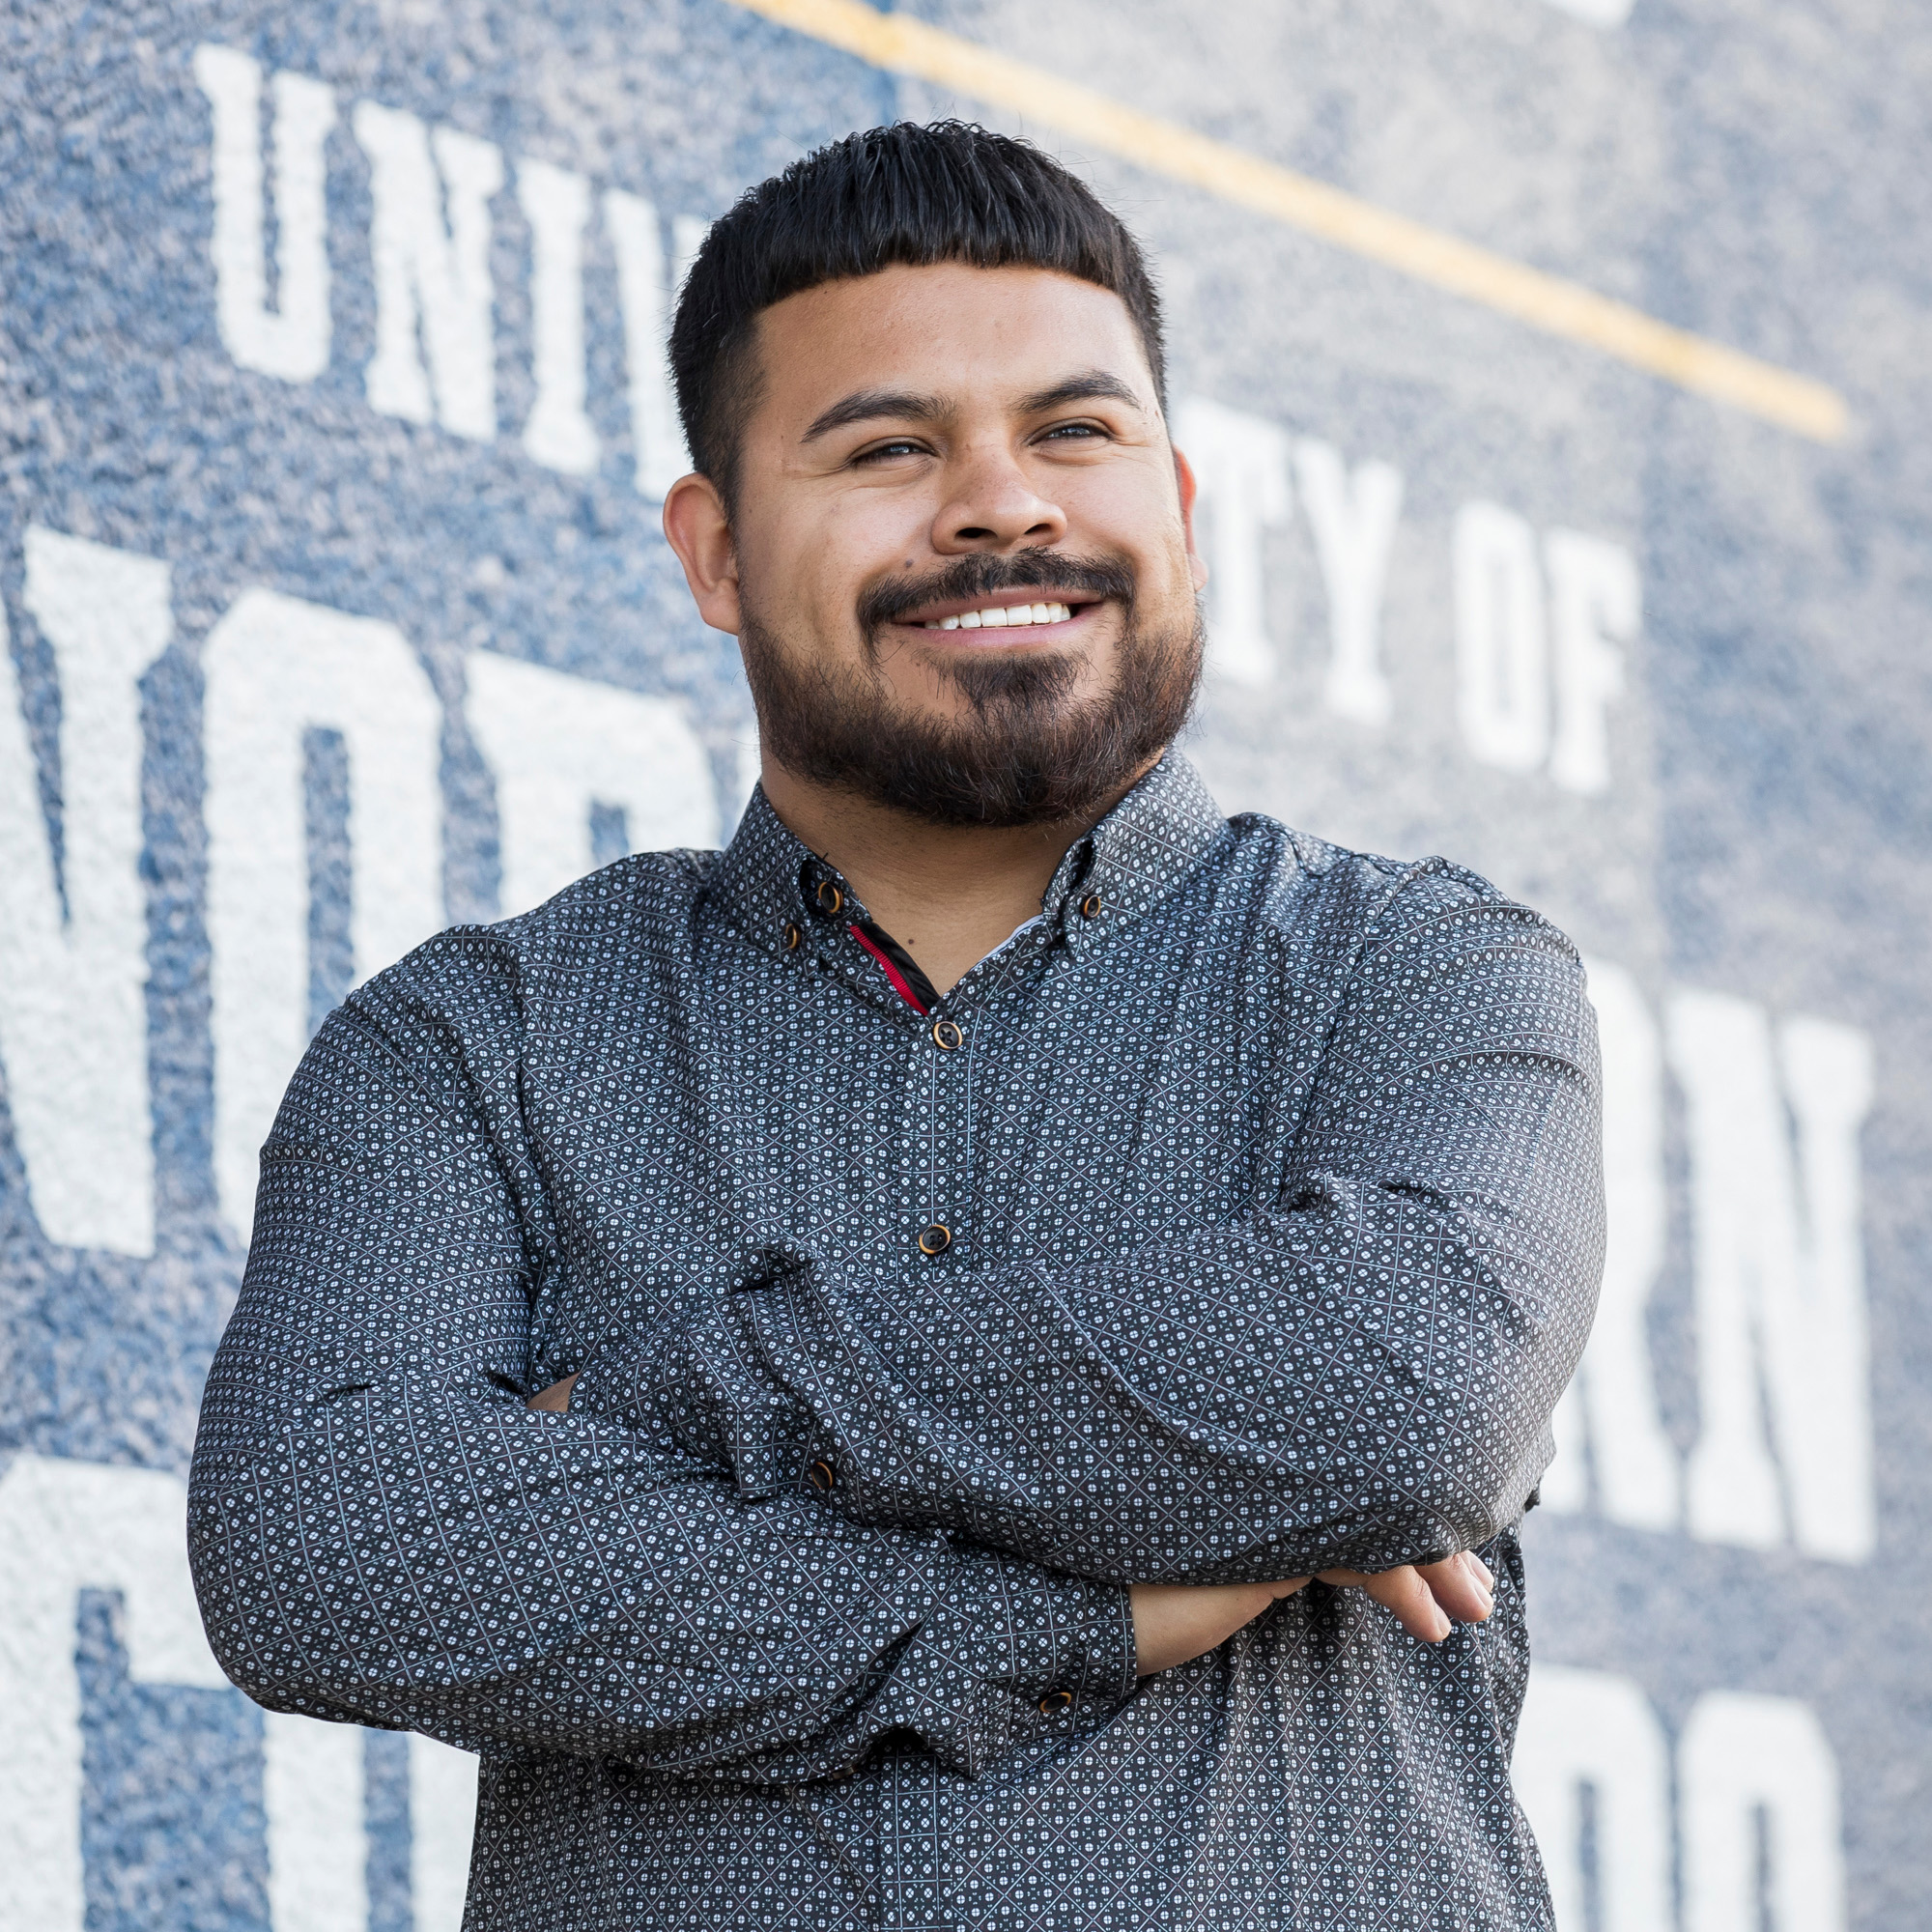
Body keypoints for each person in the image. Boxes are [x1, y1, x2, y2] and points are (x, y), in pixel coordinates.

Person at [189, 123, 1602, 1930]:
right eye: (888, 448)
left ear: (1176, 504)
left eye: (1075, 432)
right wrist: (1063, 1619)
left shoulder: (1418, 972)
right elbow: (320, 1551)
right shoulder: (475, 1046)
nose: (1004, 504)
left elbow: (1411, 1401)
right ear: (714, 553)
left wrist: (662, 1394)